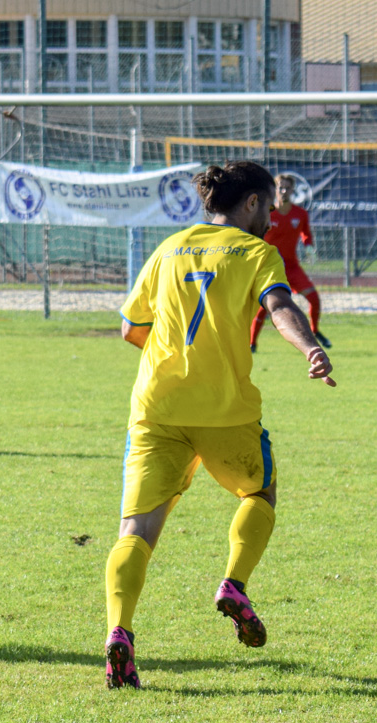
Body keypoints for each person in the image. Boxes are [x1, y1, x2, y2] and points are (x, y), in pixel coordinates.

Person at [104, 160, 335, 689]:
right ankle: (234, 583)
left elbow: (131, 329)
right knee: (260, 492)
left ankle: (120, 632)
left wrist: (175, 360)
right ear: (251, 202)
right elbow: (280, 308)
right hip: (225, 410)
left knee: (136, 530)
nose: (271, 216)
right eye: (268, 205)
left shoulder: (169, 248)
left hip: (157, 408)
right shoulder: (256, 252)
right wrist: (310, 348)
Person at [249, 172, 330, 351]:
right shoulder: (267, 213)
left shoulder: (300, 214)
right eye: (281, 188)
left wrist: (309, 247)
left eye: (288, 188)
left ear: (293, 190)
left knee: (314, 298)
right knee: (264, 306)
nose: (284, 191)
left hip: (292, 267)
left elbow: (306, 234)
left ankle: (315, 331)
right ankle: (252, 342)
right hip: (271, 267)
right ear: (275, 190)